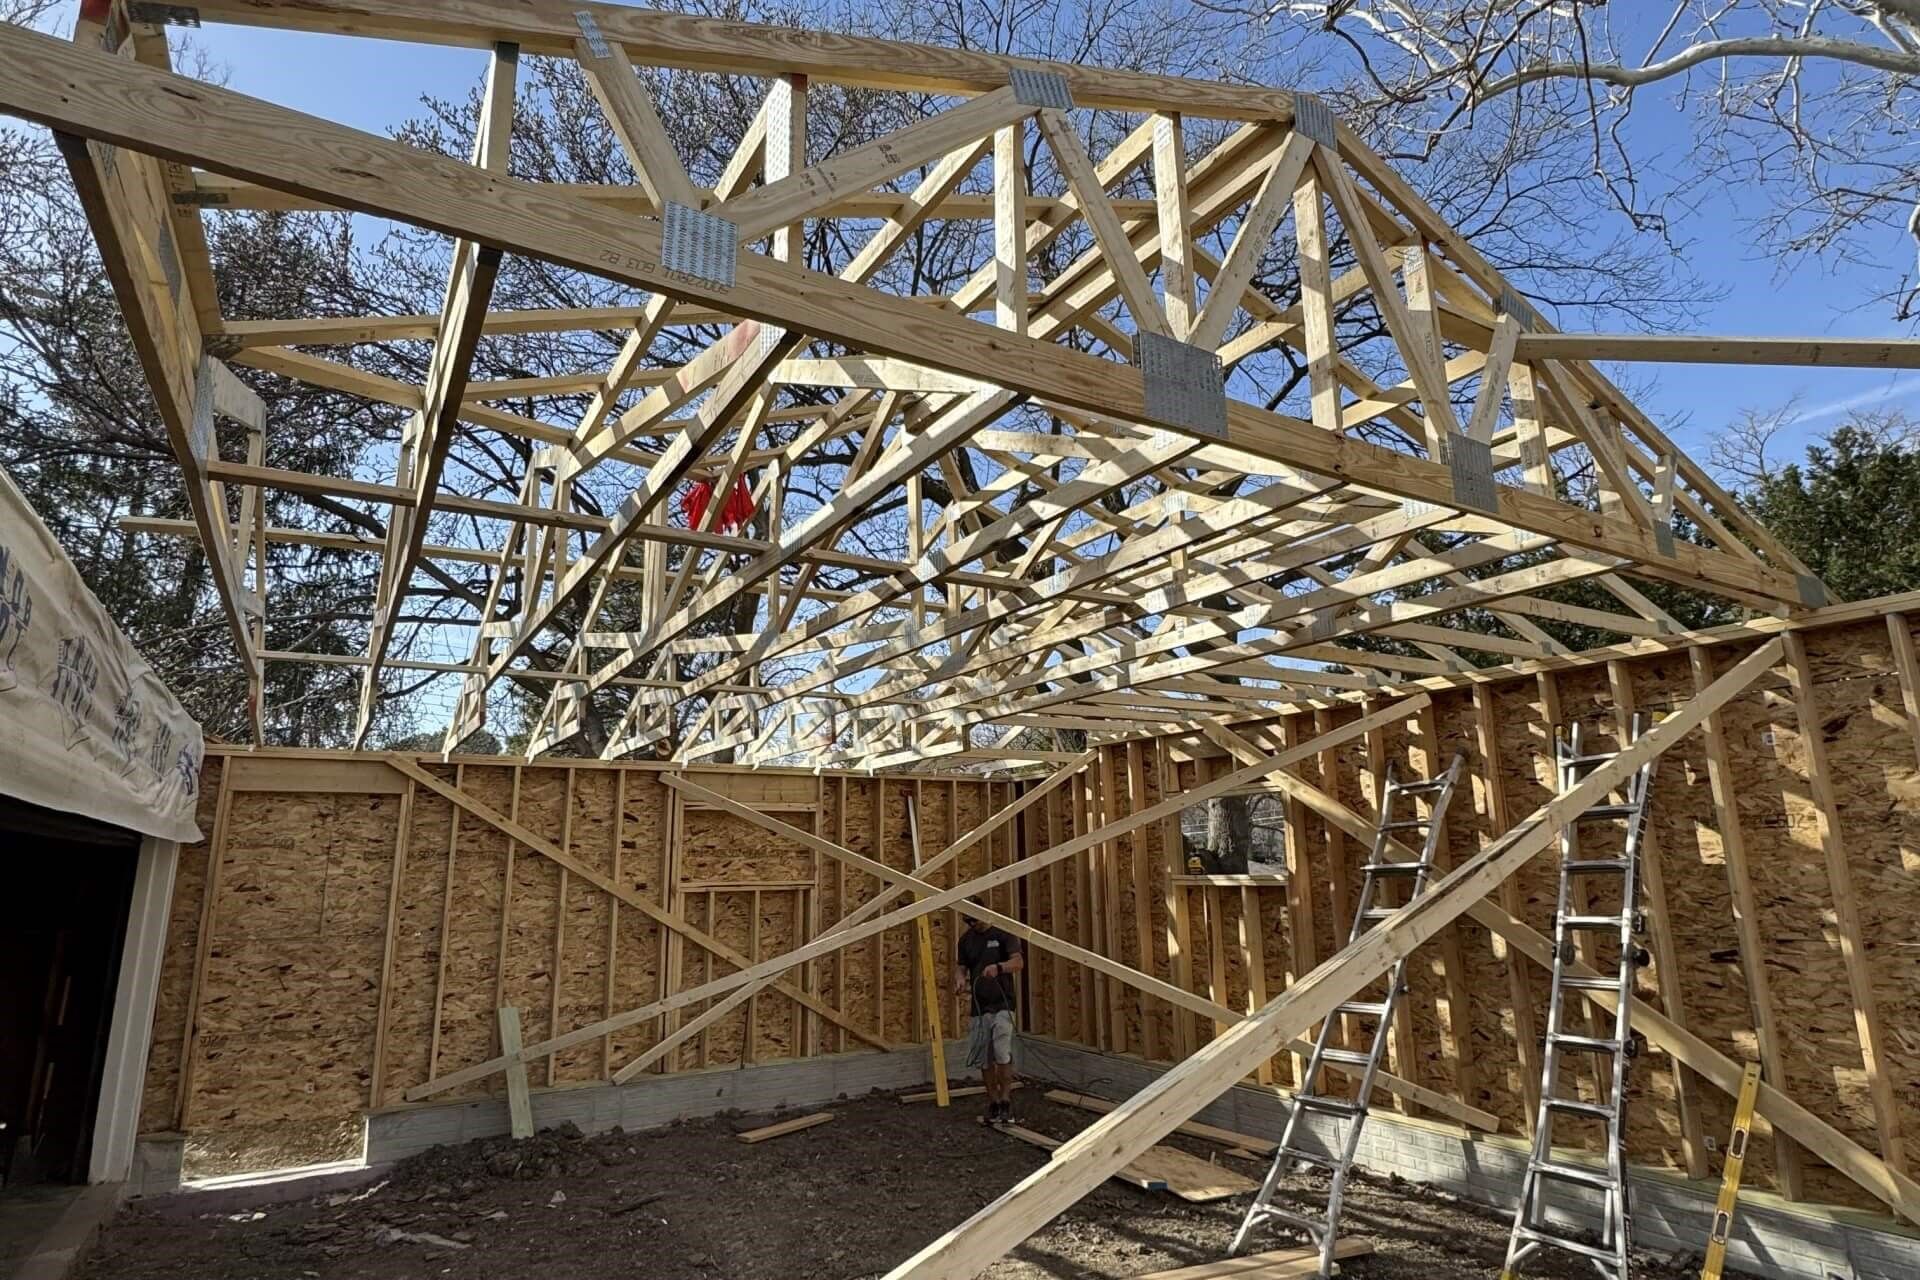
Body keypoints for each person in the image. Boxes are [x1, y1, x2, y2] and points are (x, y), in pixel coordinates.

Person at [953, 911, 1023, 1125]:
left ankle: (1005, 1101)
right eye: (968, 921)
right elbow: (961, 966)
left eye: (975, 919)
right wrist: (960, 979)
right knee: (984, 1058)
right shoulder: (966, 940)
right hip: (979, 1007)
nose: (973, 924)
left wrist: (999, 967)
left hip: (1002, 1004)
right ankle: (993, 1102)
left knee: (1002, 1052)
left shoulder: (1002, 934)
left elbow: (1018, 962)